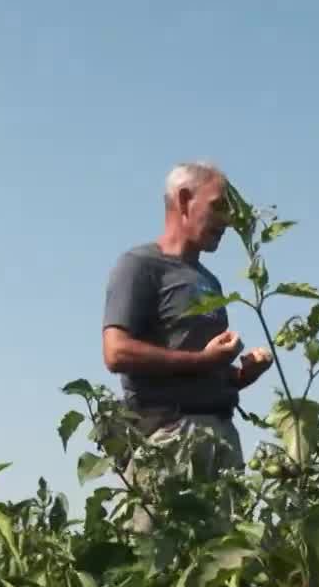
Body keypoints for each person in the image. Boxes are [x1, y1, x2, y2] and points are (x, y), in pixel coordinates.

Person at [101, 161, 273, 531]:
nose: (227, 220)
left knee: (226, 568)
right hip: (168, 437)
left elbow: (206, 369)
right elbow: (115, 352)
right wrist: (201, 359)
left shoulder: (209, 281)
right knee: (155, 564)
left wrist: (241, 374)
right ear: (184, 200)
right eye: (219, 207)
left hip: (220, 437)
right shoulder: (140, 266)